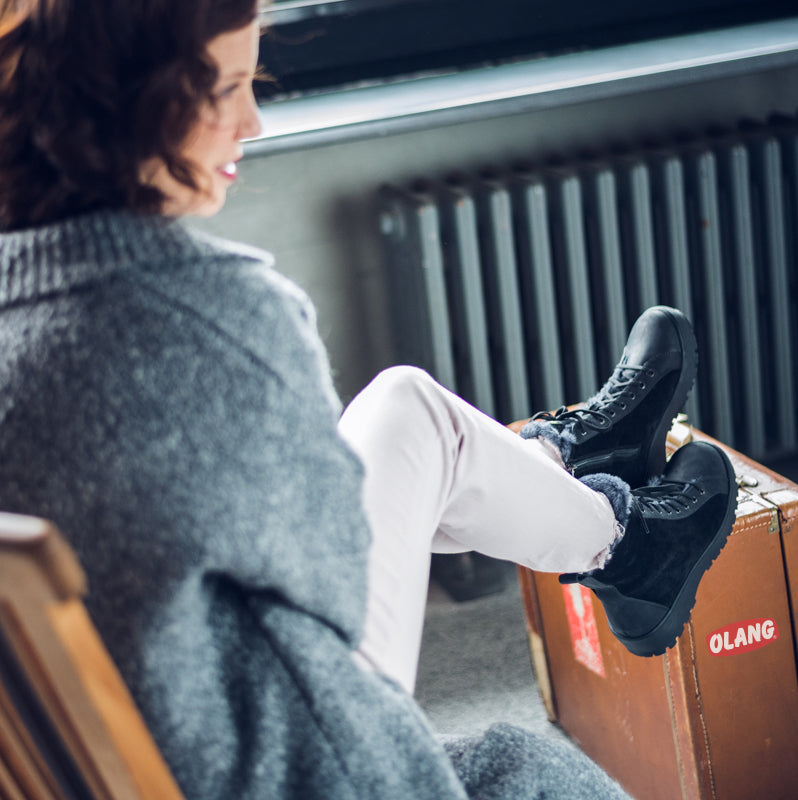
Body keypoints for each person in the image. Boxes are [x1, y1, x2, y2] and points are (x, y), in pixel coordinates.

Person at [0, 2, 736, 799]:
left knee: (408, 407)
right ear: (134, 97)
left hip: (159, 726)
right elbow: (330, 584)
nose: (253, 121)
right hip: (272, 759)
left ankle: (569, 475)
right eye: (230, 87)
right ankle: (616, 533)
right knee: (527, 765)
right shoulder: (214, 316)